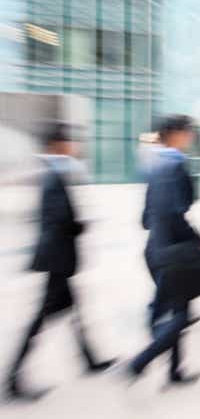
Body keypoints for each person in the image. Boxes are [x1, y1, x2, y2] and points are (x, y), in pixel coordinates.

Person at [6, 123, 116, 401]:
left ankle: (89, 359)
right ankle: (12, 379)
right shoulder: (53, 174)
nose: (74, 147)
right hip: (57, 257)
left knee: (75, 310)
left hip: (57, 256)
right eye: (70, 142)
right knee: (43, 317)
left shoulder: (53, 172)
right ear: (58, 144)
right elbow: (58, 219)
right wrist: (80, 226)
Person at [126, 115, 200, 385]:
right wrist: (198, 239)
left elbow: (145, 218)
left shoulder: (154, 165)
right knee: (181, 315)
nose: (191, 137)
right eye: (188, 132)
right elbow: (176, 213)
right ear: (174, 134)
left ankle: (174, 371)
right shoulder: (175, 166)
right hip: (175, 253)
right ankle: (140, 362)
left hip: (155, 249)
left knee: (174, 308)